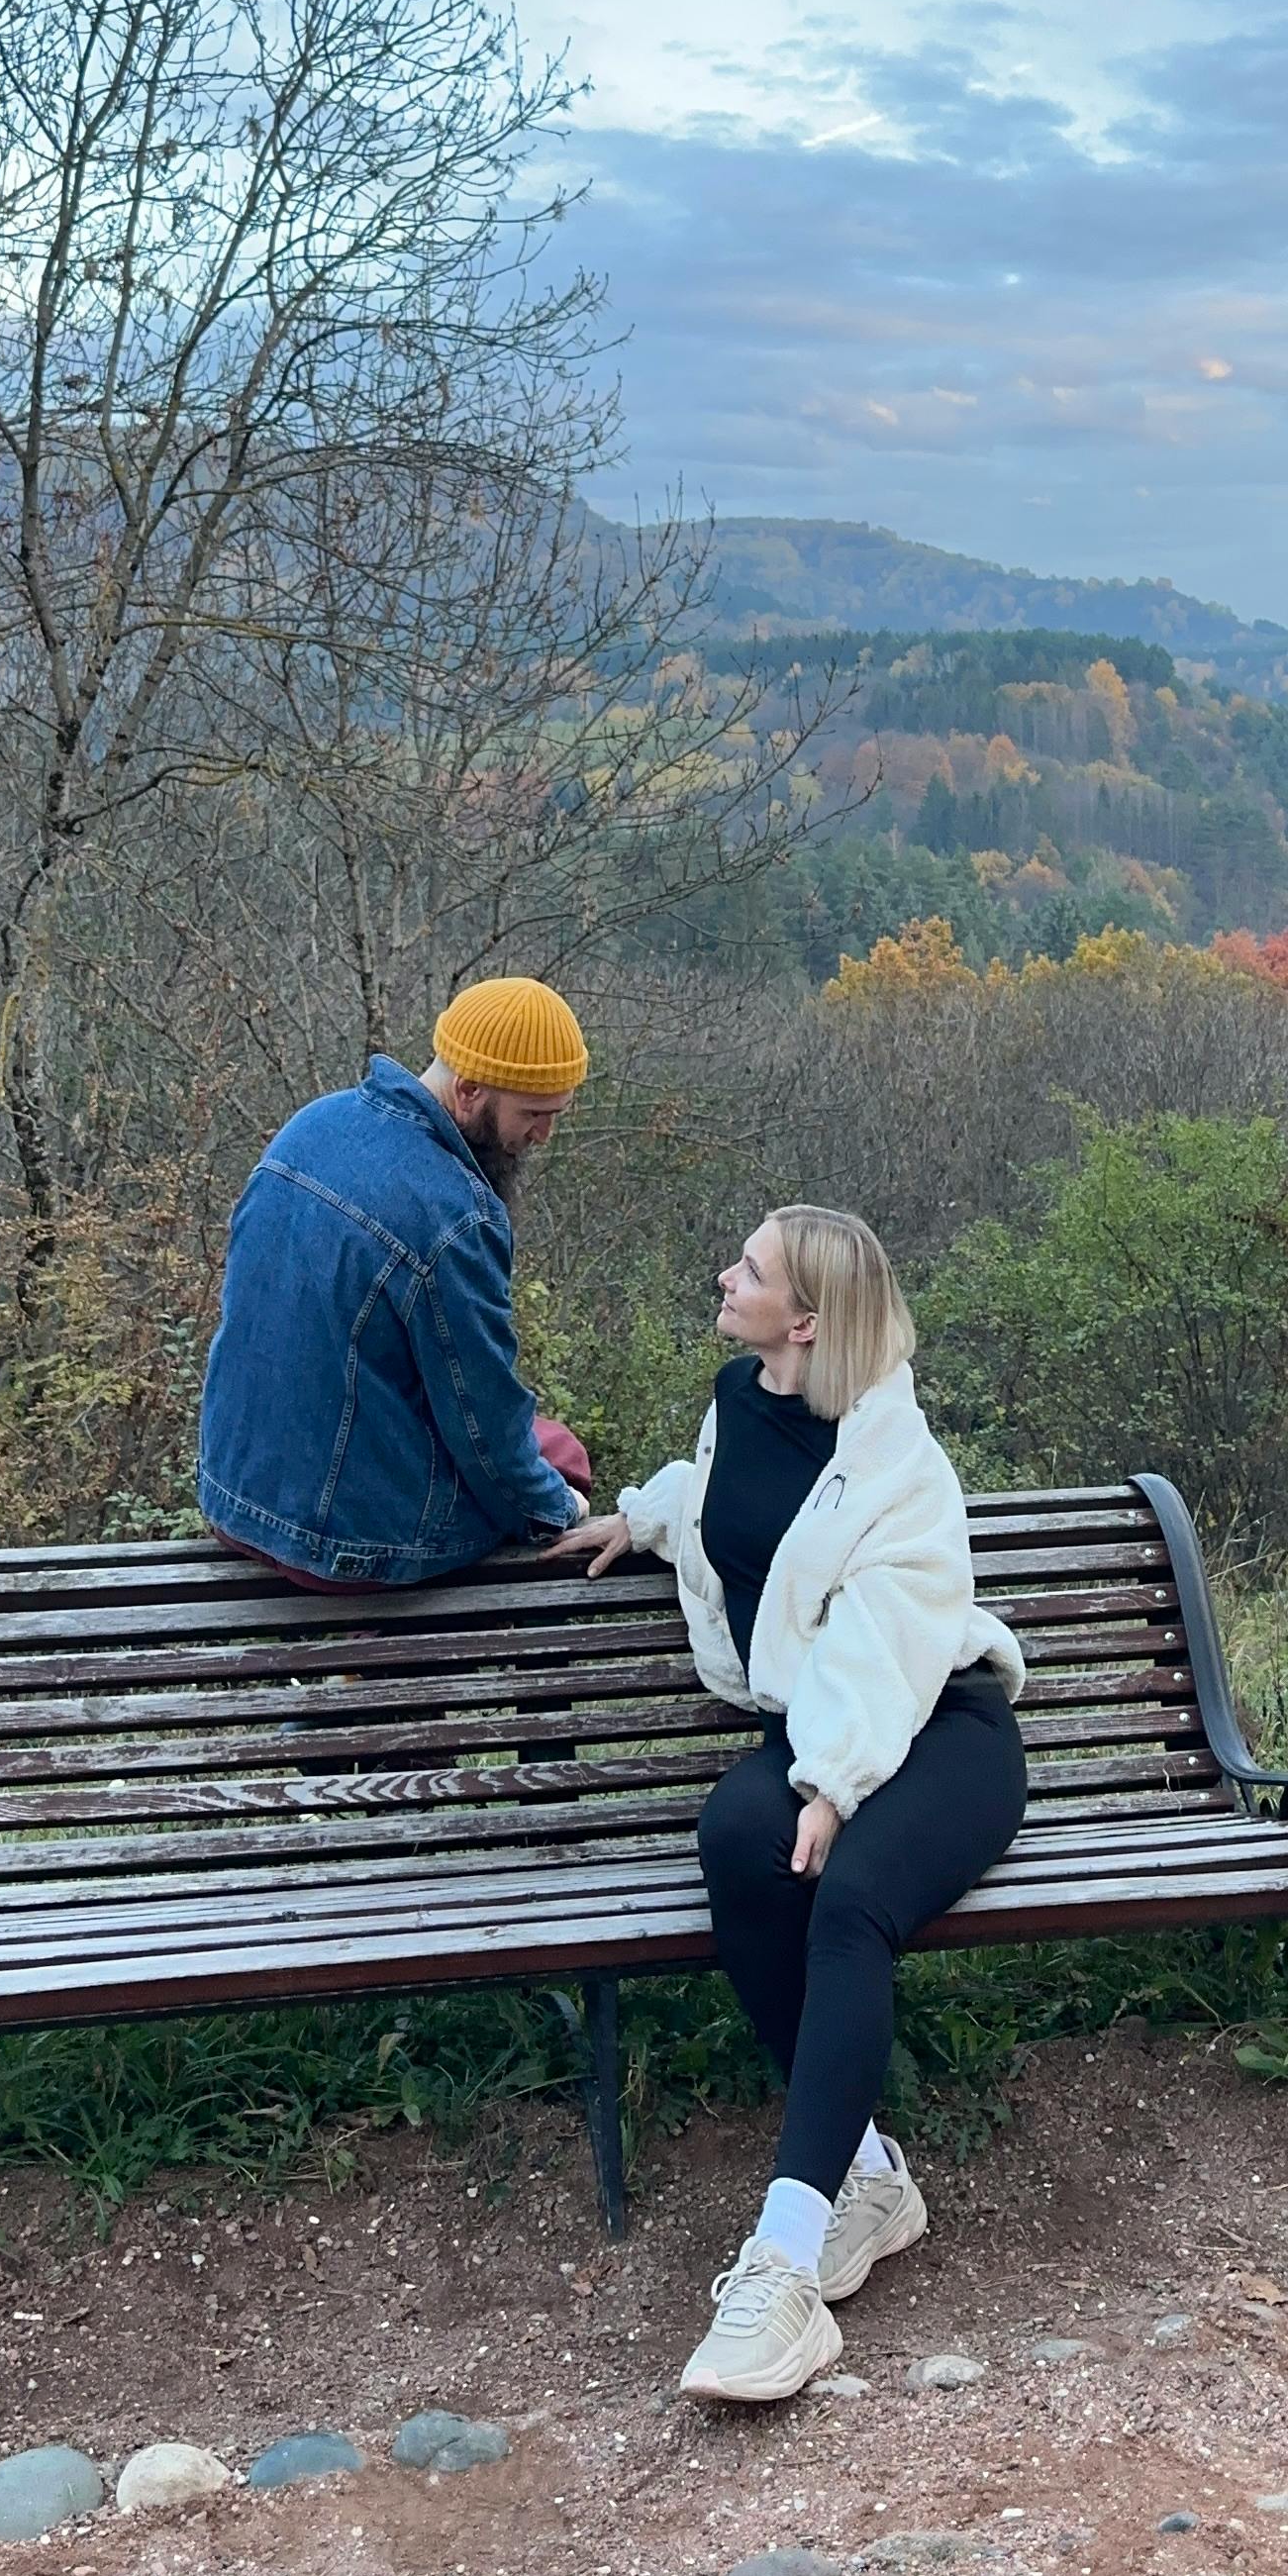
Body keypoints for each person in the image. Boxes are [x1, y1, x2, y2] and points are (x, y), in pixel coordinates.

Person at [549, 1204, 1026, 2402]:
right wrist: (646, 1517)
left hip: (939, 1730)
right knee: (732, 1840)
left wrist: (827, 1785)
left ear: (806, 1319)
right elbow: (723, 1502)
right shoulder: (739, 1396)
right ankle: (868, 2176)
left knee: (848, 1898)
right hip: (827, 1732)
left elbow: (884, 1642)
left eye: (749, 1269)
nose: (726, 1272)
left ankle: (786, 2266)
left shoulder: (899, 1465)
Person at [197, 978, 593, 1584]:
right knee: (557, 1456)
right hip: (336, 1545)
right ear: (468, 1089)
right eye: (534, 1115)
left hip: (231, 1498)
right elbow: (481, 1418)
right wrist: (560, 1509)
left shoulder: (311, 1124)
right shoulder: (458, 1214)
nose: (543, 1136)